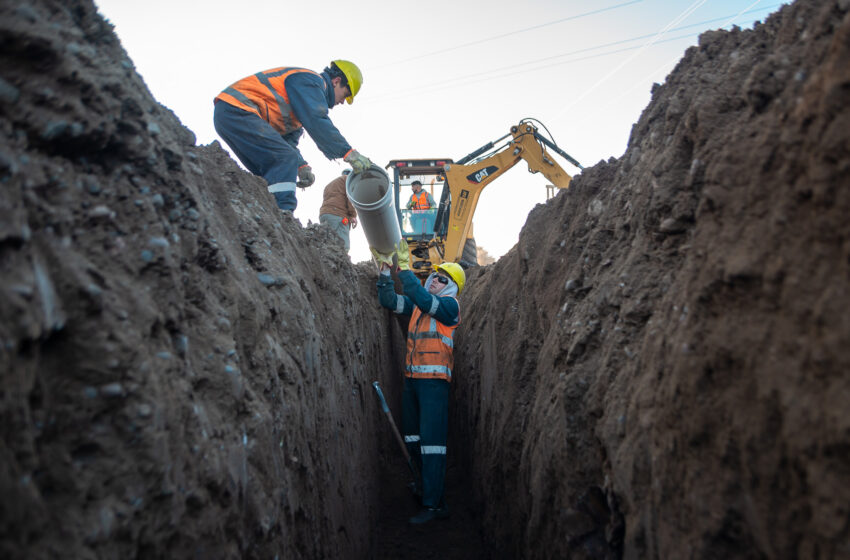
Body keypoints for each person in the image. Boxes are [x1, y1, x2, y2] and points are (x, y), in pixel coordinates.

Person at [373, 241, 466, 525]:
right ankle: (421, 486)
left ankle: (435, 504)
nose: (434, 279)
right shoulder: (418, 306)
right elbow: (390, 301)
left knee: (433, 445)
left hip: (434, 384)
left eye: (441, 278)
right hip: (413, 381)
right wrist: (385, 274)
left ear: (451, 286)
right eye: (433, 276)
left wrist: (404, 270)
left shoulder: (449, 306)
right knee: (413, 437)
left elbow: (425, 301)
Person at [212, 60, 373, 212]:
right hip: (238, 109)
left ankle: (263, 214)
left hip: (230, 114)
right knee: (284, 159)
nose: (343, 102)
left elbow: (286, 141)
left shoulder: (305, 99)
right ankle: (283, 215)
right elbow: (316, 120)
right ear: (336, 81)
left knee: (269, 171)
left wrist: (301, 166)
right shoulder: (311, 82)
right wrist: (348, 153)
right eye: (345, 95)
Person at [319, 170, 358, 252]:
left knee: (328, 242)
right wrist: (353, 215)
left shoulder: (329, 185)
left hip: (324, 214)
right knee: (343, 246)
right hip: (338, 215)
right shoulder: (348, 180)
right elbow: (350, 199)